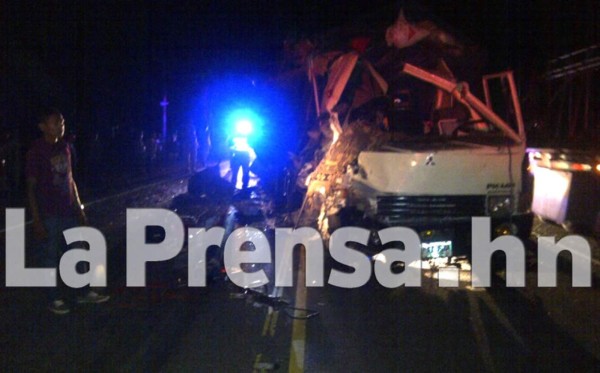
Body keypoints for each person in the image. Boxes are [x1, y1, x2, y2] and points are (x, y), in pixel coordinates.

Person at [26, 107, 109, 315]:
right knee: (50, 257)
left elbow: (71, 179)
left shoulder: (65, 147)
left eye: (62, 122)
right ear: (43, 127)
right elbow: (31, 188)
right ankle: (53, 298)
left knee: (77, 251)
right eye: (56, 122)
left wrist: (79, 206)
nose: (61, 126)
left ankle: (83, 291)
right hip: (49, 213)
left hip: (68, 211)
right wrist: (36, 219)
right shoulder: (36, 151)